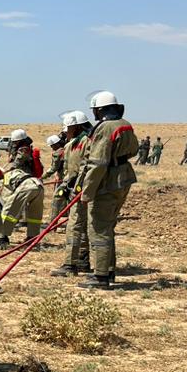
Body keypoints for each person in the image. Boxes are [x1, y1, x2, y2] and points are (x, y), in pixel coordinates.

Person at [77, 91, 138, 288]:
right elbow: (134, 149)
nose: (93, 113)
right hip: (123, 177)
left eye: (95, 110)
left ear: (101, 109)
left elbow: (98, 163)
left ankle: (101, 276)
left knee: (99, 227)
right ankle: (109, 270)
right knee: (108, 226)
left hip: (108, 181)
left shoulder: (105, 127)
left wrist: (87, 192)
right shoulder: (125, 124)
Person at [52, 111, 94, 276]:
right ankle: (82, 261)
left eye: (67, 128)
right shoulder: (70, 145)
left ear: (75, 127)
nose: (65, 131)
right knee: (80, 226)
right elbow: (69, 170)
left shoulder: (87, 142)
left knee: (75, 226)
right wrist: (64, 186)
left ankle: (70, 265)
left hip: (84, 190)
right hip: (74, 189)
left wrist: (79, 187)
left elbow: (87, 167)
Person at [1, 130, 45, 241]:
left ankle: (2, 236)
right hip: (36, 185)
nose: (14, 144)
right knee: (35, 214)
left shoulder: (23, 150)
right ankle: (33, 237)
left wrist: (7, 169)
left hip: (23, 181)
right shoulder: (27, 147)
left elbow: (17, 163)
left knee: (10, 207)